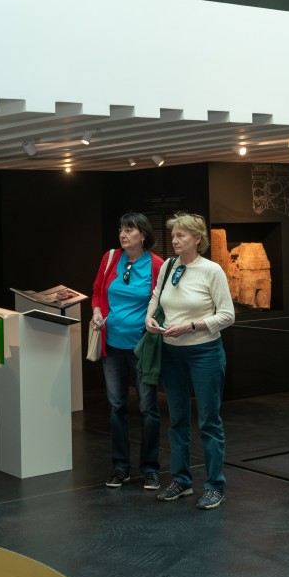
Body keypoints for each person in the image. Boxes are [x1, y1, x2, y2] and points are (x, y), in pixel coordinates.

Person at [145, 213, 234, 510]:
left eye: (181, 235)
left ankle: (215, 485)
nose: (174, 240)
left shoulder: (212, 270)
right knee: (177, 420)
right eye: (173, 235)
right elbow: (156, 297)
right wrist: (149, 318)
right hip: (172, 354)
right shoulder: (169, 266)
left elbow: (227, 315)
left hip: (205, 353)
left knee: (209, 421)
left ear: (197, 239)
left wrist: (192, 326)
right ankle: (181, 481)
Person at [91, 212, 165, 491]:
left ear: (143, 235)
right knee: (116, 407)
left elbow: (163, 303)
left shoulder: (156, 265)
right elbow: (98, 291)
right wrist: (97, 312)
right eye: (121, 229)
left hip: (141, 348)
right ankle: (120, 467)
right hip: (112, 346)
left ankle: (150, 469)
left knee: (148, 408)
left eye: (130, 230)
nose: (123, 234)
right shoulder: (110, 258)